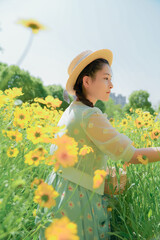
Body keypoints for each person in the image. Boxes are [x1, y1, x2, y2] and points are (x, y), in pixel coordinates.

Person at [36, 49, 160, 240]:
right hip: (77, 198)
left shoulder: (71, 111)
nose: (111, 84)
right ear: (86, 81)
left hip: (58, 193)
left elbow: (78, 158)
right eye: (106, 78)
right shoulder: (89, 115)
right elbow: (133, 155)